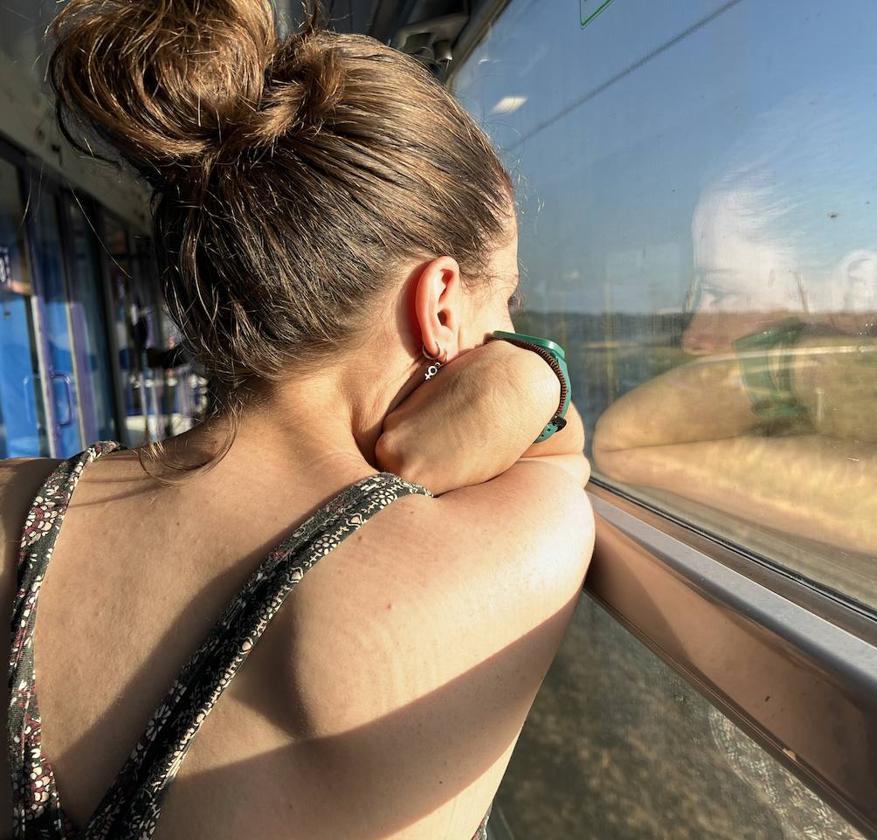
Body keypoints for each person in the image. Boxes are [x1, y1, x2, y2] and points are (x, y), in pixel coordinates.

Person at [0, 1, 593, 838]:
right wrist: (531, 377)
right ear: (442, 304)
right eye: (511, 306)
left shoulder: (12, 509)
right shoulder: (489, 560)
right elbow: (565, 453)